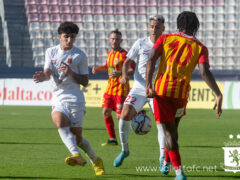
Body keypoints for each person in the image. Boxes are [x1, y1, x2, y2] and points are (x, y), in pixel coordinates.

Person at [145, 11, 223, 180]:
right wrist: (218, 94)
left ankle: (179, 173)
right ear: (196, 27)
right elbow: (204, 72)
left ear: (179, 24)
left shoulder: (165, 39)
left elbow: (151, 59)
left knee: (169, 133)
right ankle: (166, 162)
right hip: (181, 95)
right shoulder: (201, 47)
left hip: (162, 92)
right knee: (173, 131)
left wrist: (148, 85)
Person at [33, 22, 105, 175]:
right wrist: (43, 76)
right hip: (58, 97)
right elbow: (48, 72)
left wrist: (71, 73)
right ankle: (76, 156)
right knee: (59, 122)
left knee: (77, 138)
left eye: (72, 37)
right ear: (60, 37)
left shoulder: (80, 55)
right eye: (66, 37)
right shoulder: (50, 52)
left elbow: (85, 81)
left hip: (75, 99)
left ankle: (95, 160)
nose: (69, 40)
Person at [113, 15, 166, 167]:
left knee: (161, 123)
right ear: (148, 27)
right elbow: (127, 62)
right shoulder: (141, 43)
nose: (154, 29)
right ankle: (125, 150)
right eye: (151, 26)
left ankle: (162, 157)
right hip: (139, 87)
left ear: (163, 28)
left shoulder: (166, 44)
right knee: (124, 114)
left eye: (157, 26)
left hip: (157, 89)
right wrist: (124, 76)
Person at [92, 29, 135, 146]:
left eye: (117, 39)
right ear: (109, 40)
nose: (114, 41)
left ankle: (136, 115)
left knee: (120, 117)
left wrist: (121, 73)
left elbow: (131, 69)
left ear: (121, 40)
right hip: (110, 90)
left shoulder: (124, 54)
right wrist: (97, 69)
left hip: (121, 90)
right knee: (105, 112)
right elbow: (107, 67)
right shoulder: (109, 53)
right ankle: (113, 139)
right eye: (112, 38)